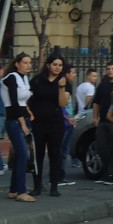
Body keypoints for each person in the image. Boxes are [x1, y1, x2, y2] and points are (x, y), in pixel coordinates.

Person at [28, 53, 70, 197]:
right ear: (48, 65)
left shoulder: (63, 81)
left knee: (55, 155)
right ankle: (37, 186)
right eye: (54, 64)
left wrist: (61, 87)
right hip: (38, 123)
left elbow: (62, 103)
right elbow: (28, 99)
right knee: (37, 155)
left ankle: (54, 186)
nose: (57, 68)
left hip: (56, 123)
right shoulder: (37, 80)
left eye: (60, 65)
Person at [1, 52, 35, 203]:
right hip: (14, 121)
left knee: (21, 155)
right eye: (25, 62)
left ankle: (14, 189)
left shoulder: (24, 79)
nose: (28, 65)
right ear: (17, 63)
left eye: (30, 63)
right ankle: (21, 191)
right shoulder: (11, 78)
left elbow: (23, 102)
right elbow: (14, 103)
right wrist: (22, 122)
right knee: (22, 154)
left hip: (23, 119)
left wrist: (28, 112)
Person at [90, 61, 113, 184]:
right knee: (102, 148)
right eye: (108, 68)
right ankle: (105, 172)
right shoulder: (103, 85)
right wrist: (95, 117)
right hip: (103, 121)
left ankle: (112, 174)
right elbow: (96, 102)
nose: (110, 71)